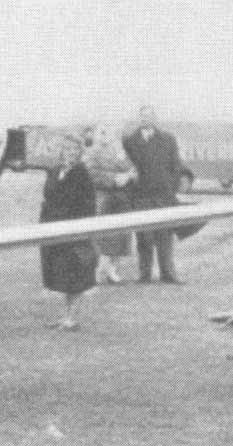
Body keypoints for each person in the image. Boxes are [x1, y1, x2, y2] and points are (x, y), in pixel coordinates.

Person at [122, 105, 188, 284]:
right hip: (141, 196)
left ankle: (168, 274)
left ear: (155, 118)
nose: (146, 119)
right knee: (144, 237)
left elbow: (176, 165)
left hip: (163, 196)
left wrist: (171, 188)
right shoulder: (130, 141)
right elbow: (125, 166)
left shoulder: (168, 139)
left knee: (165, 236)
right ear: (139, 118)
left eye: (149, 116)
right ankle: (144, 275)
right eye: (142, 116)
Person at [38, 135, 97, 331]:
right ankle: (64, 316)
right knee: (60, 275)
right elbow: (48, 197)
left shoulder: (82, 173)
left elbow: (88, 205)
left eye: (75, 149)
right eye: (67, 149)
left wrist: (80, 229)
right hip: (53, 228)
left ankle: (71, 319)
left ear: (80, 152)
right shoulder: (55, 171)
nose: (71, 153)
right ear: (61, 151)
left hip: (74, 231)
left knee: (76, 275)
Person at [82, 125, 136, 284]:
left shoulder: (120, 151)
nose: (105, 135)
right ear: (96, 134)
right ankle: (96, 271)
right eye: (102, 132)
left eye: (108, 131)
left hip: (121, 199)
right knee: (101, 235)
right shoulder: (91, 152)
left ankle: (112, 270)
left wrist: (128, 176)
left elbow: (131, 168)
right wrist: (114, 179)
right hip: (102, 198)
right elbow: (90, 174)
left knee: (121, 235)